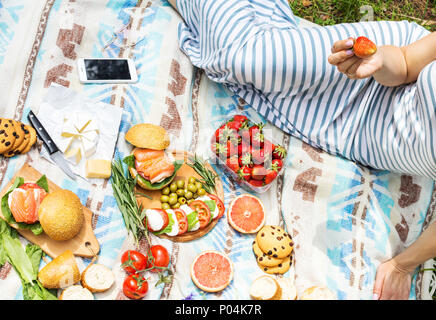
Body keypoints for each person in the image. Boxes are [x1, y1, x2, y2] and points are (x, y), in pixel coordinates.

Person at [167, 0, 436, 300]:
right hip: (373, 80)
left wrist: (402, 266)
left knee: (251, 84)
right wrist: (378, 62)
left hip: (357, 136)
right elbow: (406, 61)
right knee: (243, 58)